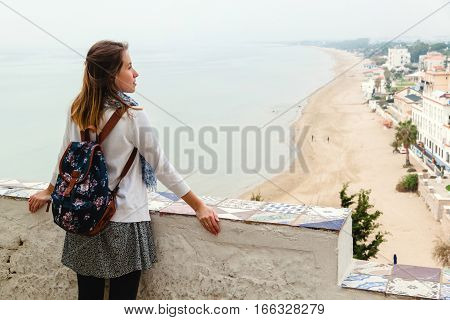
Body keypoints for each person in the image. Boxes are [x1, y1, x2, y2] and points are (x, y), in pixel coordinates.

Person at [27, 40, 220, 300]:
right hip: (125, 220)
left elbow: (65, 159)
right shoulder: (132, 115)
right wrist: (199, 206)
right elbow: (161, 166)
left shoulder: (79, 111)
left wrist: (50, 190)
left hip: (83, 217)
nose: (135, 73)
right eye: (129, 67)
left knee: (89, 300)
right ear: (111, 75)